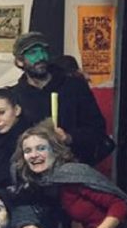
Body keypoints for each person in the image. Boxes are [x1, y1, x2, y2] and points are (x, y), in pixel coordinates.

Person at [10, 32, 110, 165]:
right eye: (33, 53)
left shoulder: (74, 87)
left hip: (73, 165)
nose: (41, 57)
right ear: (19, 61)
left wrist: (68, 137)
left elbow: (97, 128)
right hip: (33, 168)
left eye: (43, 51)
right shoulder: (16, 95)